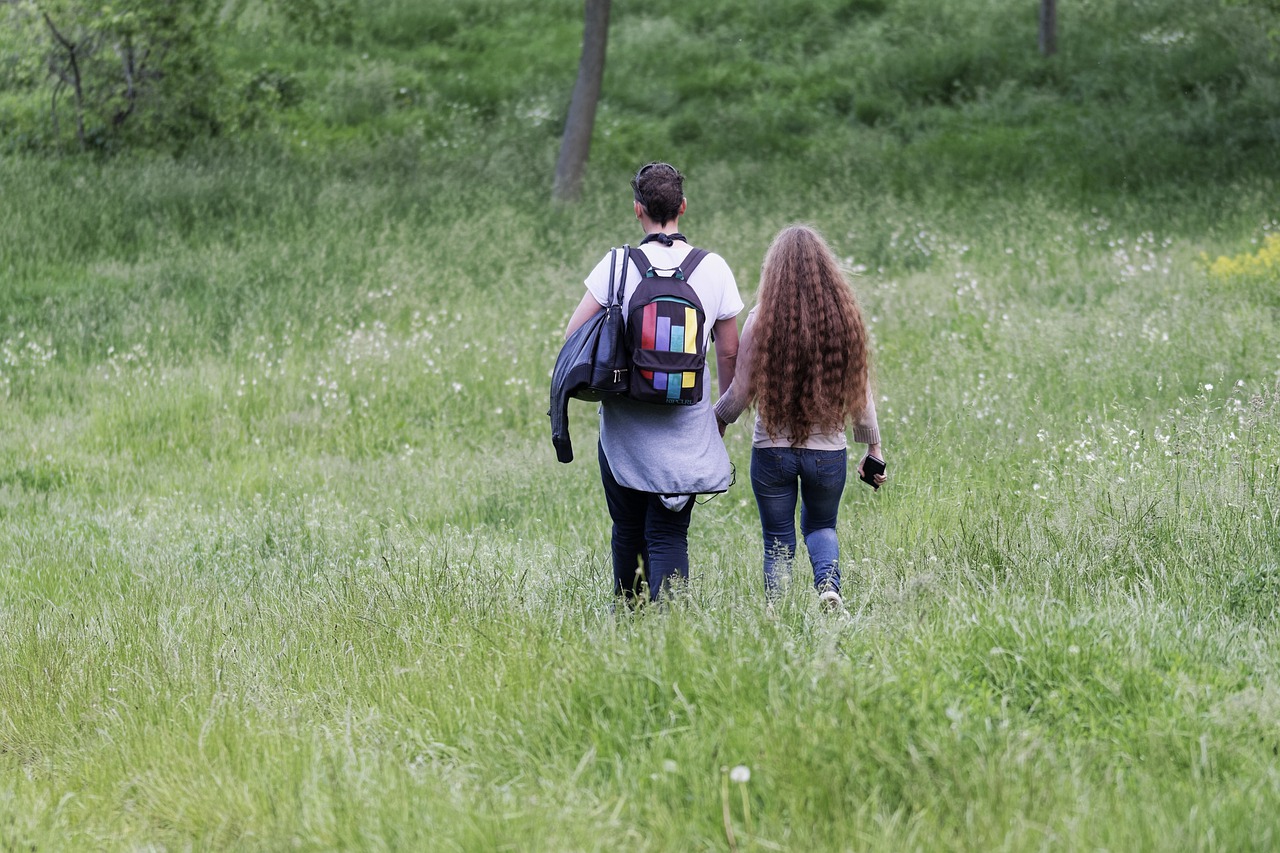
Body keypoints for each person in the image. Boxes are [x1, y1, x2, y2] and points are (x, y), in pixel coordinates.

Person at [564, 162, 743, 604]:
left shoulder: (616, 265)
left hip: (625, 428)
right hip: (686, 426)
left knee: (627, 529)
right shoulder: (714, 268)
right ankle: (671, 630)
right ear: (683, 207)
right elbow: (730, 351)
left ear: (637, 210)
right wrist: (721, 415)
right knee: (667, 535)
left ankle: (629, 618)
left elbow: (573, 336)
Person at [714, 224, 885, 608]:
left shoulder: (762, 319)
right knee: (822, 525)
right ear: (828, 270)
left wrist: (716, 423)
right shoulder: (844, 319)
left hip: (772, 450)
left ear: (775, 271)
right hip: (827, 453)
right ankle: (828, 588)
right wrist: (873, 447)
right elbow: (860, 392)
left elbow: (741, 391)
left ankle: (778, 609)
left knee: (777, 539)